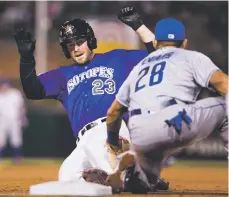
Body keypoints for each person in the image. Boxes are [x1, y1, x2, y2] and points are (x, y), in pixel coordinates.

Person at [13, 5, 169, 189]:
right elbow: (33, 91)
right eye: (70, 45)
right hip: (83, 140)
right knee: (67, 176)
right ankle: (138, 174)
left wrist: (138, 25)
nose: (76, 48)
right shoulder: (63, 75)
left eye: (79, 41)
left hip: (111, 128)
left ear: (91, 41)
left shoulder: (117, 59)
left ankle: (137, 176)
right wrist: (26, 59)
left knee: (107, 161)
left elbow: (160, 55)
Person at [105, 18, 228, 193]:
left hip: (140, 131)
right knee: (225, 108)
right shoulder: (190, 56)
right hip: (173, 118)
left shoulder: (139, 67)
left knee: (149, 179)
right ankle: (138, 168)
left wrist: (112, 143)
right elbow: (224, 84)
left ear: (155, 42)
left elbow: (113, 112)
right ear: (184, 43)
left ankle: (137, 173)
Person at [0, 81, 28, 163]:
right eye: (2, 86)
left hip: (15, 119)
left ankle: (17, 157)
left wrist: (23, 118)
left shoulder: (15, 94)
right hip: (2, 120)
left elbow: (21, 106)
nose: (4, 88)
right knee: (1, 139)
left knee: (16, 138)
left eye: (6, 86)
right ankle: (1, 157)